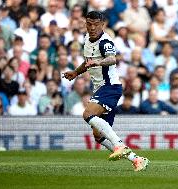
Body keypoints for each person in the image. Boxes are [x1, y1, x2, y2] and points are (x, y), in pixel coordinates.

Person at [62, 11, 149, 171]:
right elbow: (87, 61)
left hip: (110, 87)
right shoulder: (87, 39)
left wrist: (98, 62)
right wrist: (75, 72)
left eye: (96, 24)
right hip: (102, 88)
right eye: (89, 24)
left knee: (87, 114)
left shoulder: (105, 41)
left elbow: (112, 58)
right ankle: (137, 160)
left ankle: (119, 145)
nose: (93, 27)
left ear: (102, 24)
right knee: (98, 136)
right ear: (86, 23)